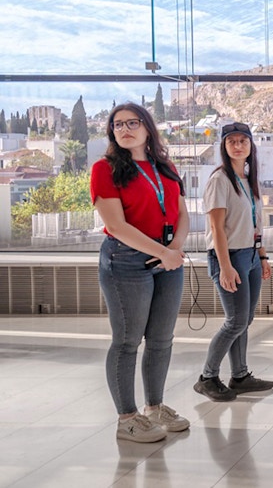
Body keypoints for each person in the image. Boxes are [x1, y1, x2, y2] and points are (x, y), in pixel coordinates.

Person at [90, 102, 190, 442]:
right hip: (126, 260)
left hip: (167, 261)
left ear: (148, 127)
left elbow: (182, 212)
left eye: (132, 122)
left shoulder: (166, 166)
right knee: (128, 341)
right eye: (117, 125)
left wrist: (174, 249)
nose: (124, 129)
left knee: (161, 340)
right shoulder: (105, 169)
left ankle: (154, 407)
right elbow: (116, 226)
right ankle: (127, 418)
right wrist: (164, 252)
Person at [193, 122, 273, 401]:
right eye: (232, 142)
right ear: (224, 147)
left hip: (250, 255)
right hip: (230, 257)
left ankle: (239, 375)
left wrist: (262, 256)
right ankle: (207, 376)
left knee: (245, 319)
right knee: (235, 320)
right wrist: (225, 266)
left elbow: (255, 222)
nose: (238, 146)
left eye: (243, 141)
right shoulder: (220, 180)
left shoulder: (248, 179)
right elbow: (216, 228)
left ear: (251, 146)